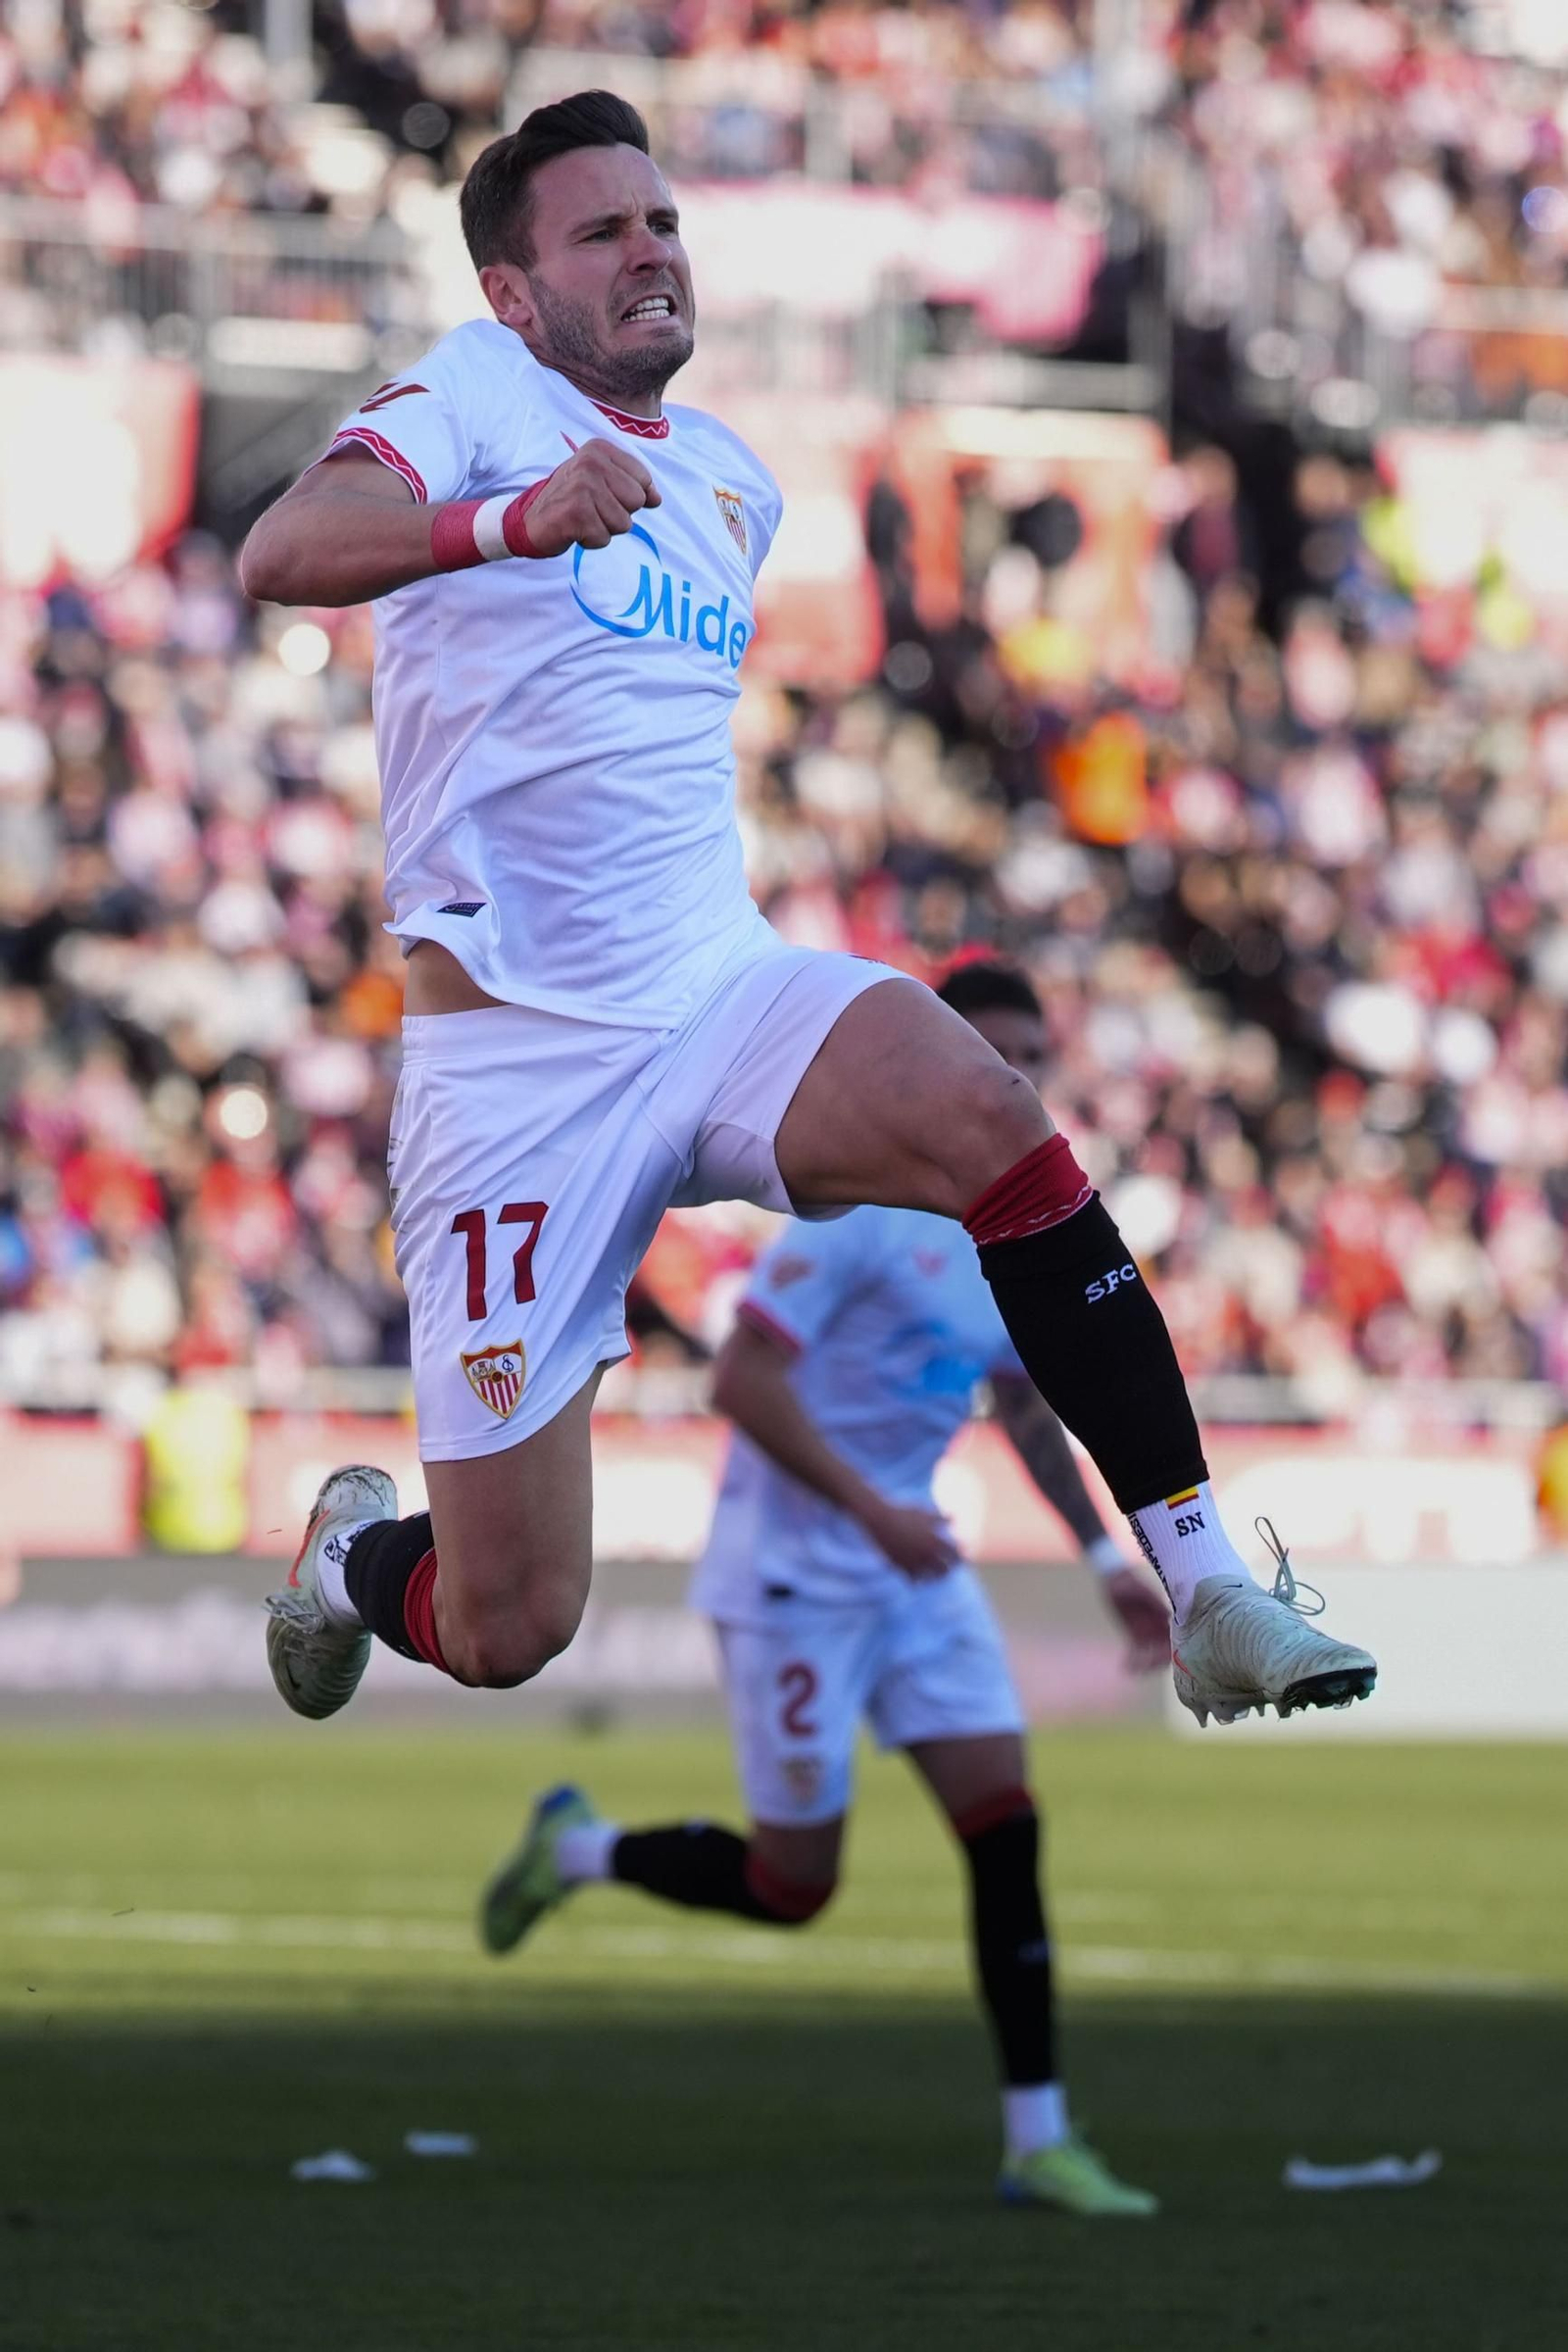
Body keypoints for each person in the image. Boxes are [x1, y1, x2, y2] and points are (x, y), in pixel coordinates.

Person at [241, 90, 1374, 1733]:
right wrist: (509, 516)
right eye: (602, 232)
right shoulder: (478, 388)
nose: (650, 253)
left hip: (713, 990)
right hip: (513, 1069)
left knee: (992, 1118)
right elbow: (287, 545)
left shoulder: (734, 485)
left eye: (664, 222)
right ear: (512, 289)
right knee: (509, 1624)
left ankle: (1206, 1587)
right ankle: (351, 1567)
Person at [478, 962, 1170, 2214]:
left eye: (1024, 1053)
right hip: (798, 1570)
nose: (1008, 1072)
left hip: (911, 1574)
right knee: (795, 1886)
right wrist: (872, 1510)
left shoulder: (1001, 1233)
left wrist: (1107, 1562)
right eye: (988, 1044)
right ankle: (574, 1849)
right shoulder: (854, 1215)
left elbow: (1018, 1405)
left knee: (1004, 1826)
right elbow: (738, 1379)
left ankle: (1038, 2137)